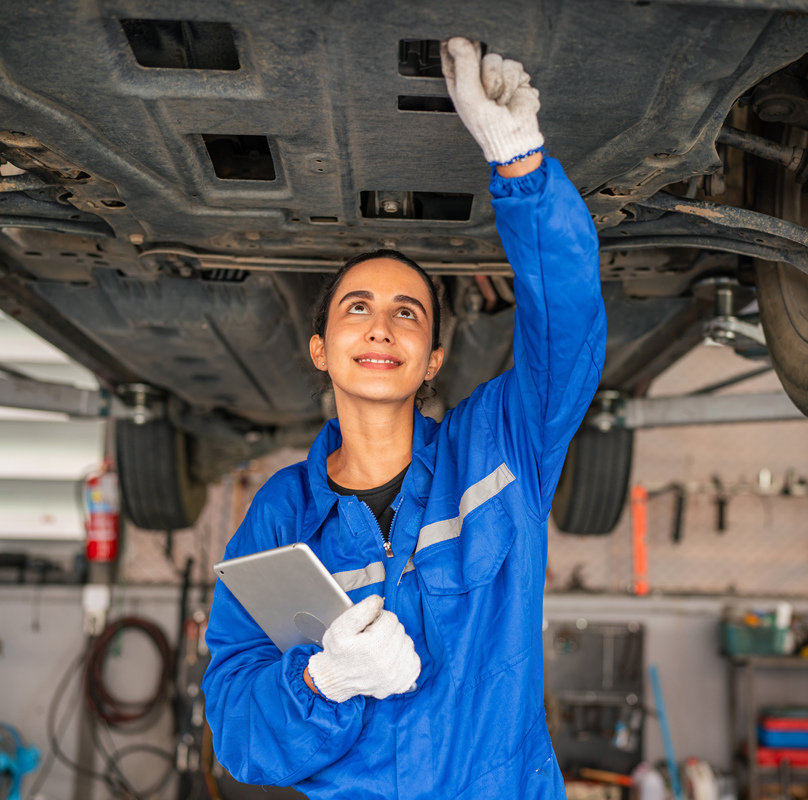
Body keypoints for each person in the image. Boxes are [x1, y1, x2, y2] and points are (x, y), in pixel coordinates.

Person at [202, 37, 606, 799]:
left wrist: (519, 166)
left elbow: (568, 333)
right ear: (321, 350)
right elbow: (238, 731)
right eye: (357, 309)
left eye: (407, 313)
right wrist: (322, 681)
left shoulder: (498, 449)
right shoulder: (281, 518)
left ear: (432, 360)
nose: (381, 327)